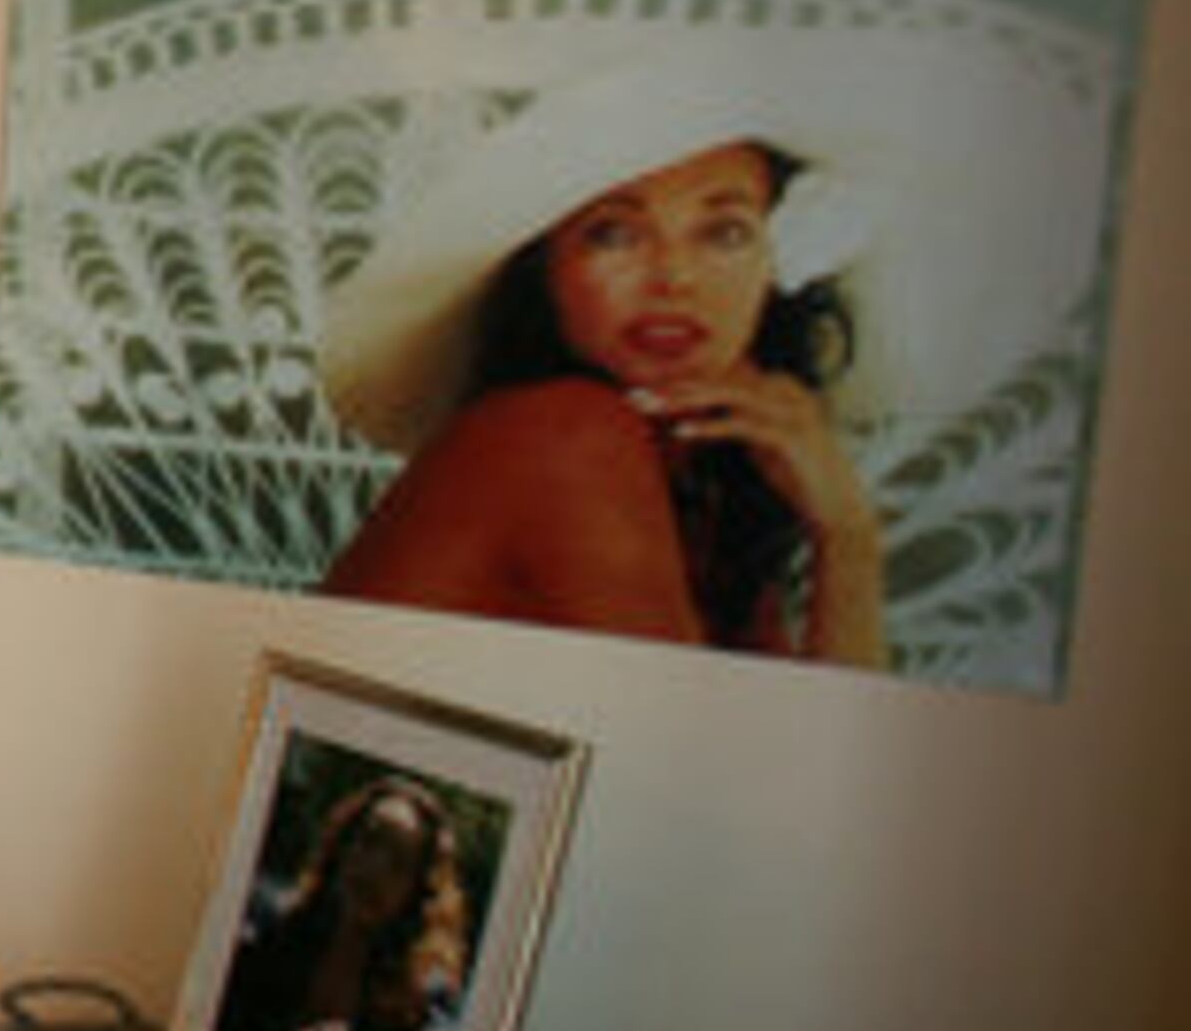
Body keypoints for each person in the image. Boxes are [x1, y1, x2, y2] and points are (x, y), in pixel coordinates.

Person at [315, 49, 902, 667]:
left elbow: (806, 739)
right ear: (546, 272)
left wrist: (848, 537)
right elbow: (731, 758)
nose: (674, 276)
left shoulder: (699, 467)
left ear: (772, 267)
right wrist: (849, 546)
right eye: (614, 233)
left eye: (723, 232)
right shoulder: (565, 436)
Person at [206, 774, 471, 1031]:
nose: (374, 867)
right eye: (369, 841)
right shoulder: (270, 936)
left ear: (417, 891)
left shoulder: (421, 992)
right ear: (342, 846)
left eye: (398, 862)